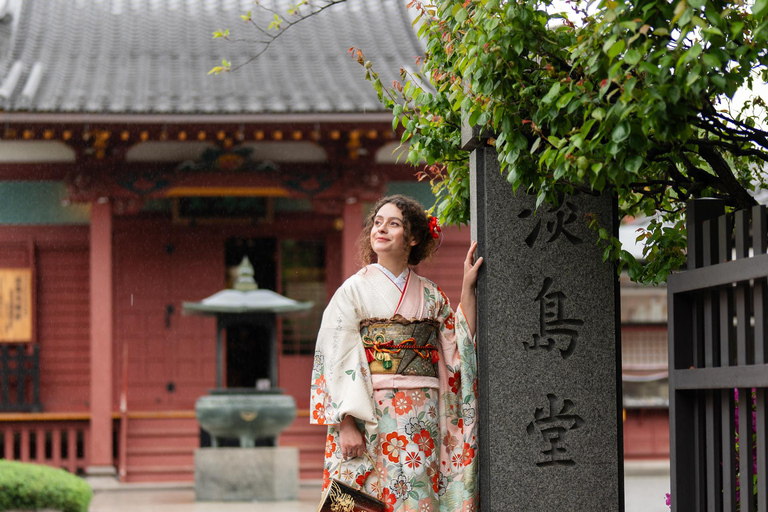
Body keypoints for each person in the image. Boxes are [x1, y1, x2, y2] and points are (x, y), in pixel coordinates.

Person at [310, 195, 482, 512]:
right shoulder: (353, 290)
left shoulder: (431, 294)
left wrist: (468, 288)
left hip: (423, 415)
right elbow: (335, 357)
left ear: (413, 237)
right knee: (366, 496)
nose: (382, 229)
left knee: (419, 495)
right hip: (369, 414)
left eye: (394, 224)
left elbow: (457, 345)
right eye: (377, 222)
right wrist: (346, 423)